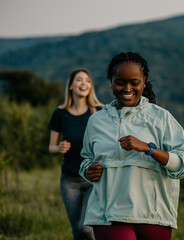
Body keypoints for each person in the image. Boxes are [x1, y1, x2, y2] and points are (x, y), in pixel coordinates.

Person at [79, 52, 184, 240]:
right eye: (120, 82)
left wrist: (149, 148)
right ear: (110, 81)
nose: (127, 88)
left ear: (144, 80)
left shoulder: (161, 118)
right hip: (108, 215)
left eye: (134, 82)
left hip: (154, 215)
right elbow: (86, 160)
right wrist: (88, 170)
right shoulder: (96, 121)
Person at [48, 68, 103, 240]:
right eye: (79, 80)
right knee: (77, 231)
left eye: (87, 80)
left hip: (93, 178)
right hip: (69, 180)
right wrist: (59, 148)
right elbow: (51, 146)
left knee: (87, 228)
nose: (84, 83)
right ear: (71, 86)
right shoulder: (60, 113)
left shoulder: (99, 111)